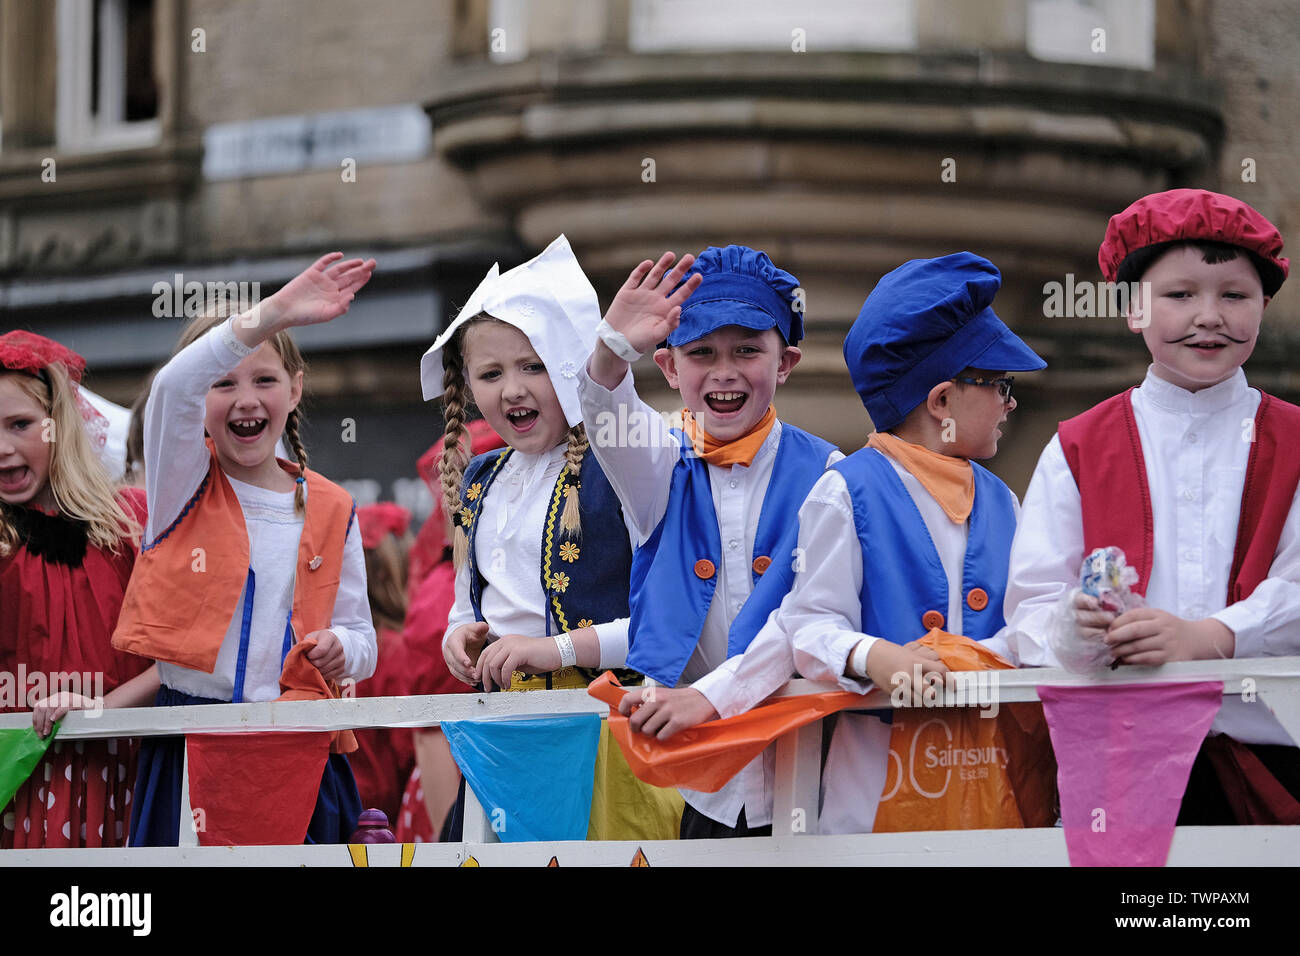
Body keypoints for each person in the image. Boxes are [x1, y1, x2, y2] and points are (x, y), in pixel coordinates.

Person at [623, 252, 1047, 835]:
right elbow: (803, 623)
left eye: (747, 349)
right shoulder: (844, 488)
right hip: (861, 797)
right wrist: (876, 656)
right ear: (942, 400)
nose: (1010, 400)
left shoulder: (1005, 500)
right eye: (998, 383)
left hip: (986, 782)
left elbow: (1032, 617)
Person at [1003, 188, 1300, 824]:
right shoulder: (1077, 446)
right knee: (1140, 924)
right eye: (1181, 294)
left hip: (1277, 755)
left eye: (1234, 295)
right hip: (1120, 760)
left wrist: (1212, 635)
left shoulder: (1296, 441)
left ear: (1264, 307)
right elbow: (1030, 605)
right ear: (1133, 309)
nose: (1210, 316)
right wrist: (1073, 631)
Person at [111, 253, 379, 846]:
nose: (245, 399)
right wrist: (272, 315)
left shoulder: (333, 507)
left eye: (264, 380)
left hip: (301, 750)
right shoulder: (180, 482)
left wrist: (342, 650)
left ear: (295, 389)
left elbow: (364, 640)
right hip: (193, 742)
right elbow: (172, 387)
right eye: (224, 383)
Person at [424, 234, 682, 841]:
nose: (512, 389)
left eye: (533, 366)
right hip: (505, 735)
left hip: (606, 728)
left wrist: (557, 650)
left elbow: (661, 627)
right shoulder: (479, 480)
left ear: (569, 364)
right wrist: (457, 639)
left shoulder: (620, 463)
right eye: (491, 373)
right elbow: (466, 607)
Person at [579, 245, 841, 838]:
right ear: (670, 369)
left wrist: (718, 696)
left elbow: (811, 615)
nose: (724, 370)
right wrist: (611, 352)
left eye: (747, 349)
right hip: (702, 778)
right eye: (702, 353)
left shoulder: (833, 471)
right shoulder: (656, 461)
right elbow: (604, 417)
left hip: (814, 762)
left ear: (787, 362)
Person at [0, 331, 157, 848]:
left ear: (58, 426)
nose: (2, 449)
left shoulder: (129, 524)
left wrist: (99, 710)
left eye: (20, 425)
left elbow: (181, 654)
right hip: (15, 782)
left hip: (125, 775)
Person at [348, 501, 416, 828]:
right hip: (384, 823)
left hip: (332, 807)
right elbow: (411, 750)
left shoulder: (325, 646)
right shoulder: (396, 650)